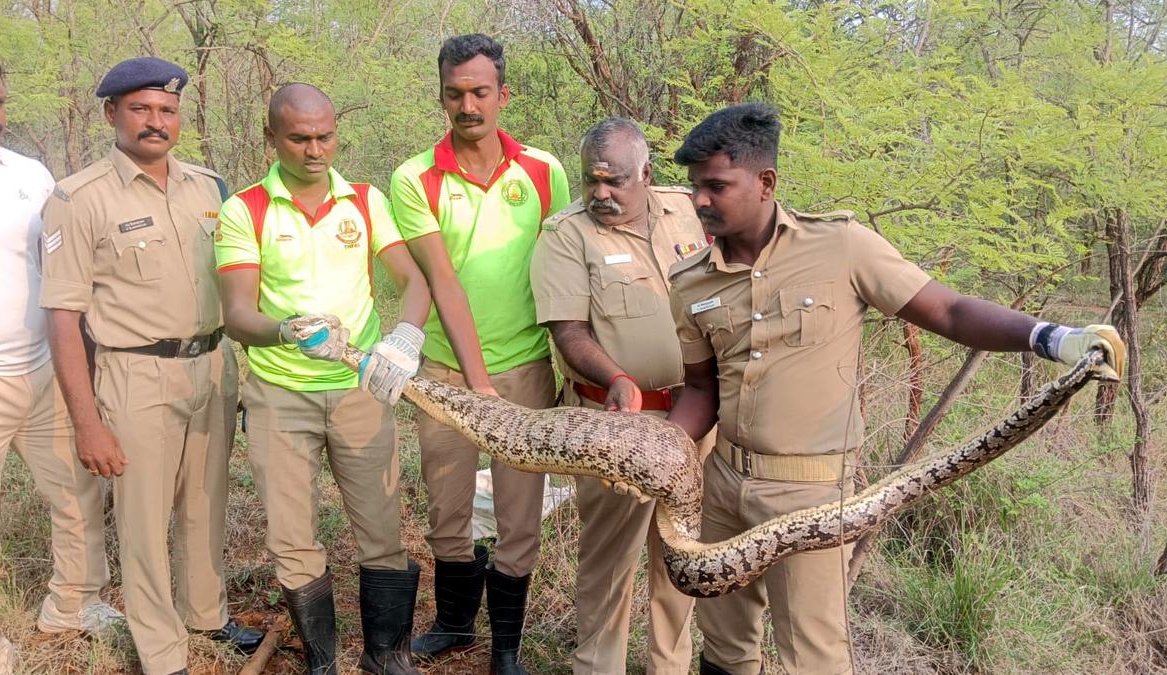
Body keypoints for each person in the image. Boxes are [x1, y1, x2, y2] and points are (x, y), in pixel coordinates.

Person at [663, 103, 1126, 675]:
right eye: (694, 187)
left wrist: (1053, 339)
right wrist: (657, 454)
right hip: (725, 486)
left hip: (811, 494)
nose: (700, 201)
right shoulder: (690, 282)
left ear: (766, 182)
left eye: (715, 185)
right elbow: (700, 390)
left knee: (813, 654)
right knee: (726, 645)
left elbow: (950, 312)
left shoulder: (841, 246)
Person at [39, 57, 262, 675]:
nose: (155, 122)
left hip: (213, 364)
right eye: (140, 109)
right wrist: (88, 424)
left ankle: (207, 617)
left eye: (167, 110)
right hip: (135, 374)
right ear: (111, 113)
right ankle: (163, 655)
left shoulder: (209, 188)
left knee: (205, 503)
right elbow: (62, 315)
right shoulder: (77, 198)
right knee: (142, 522)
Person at [216, 83, 431, 675]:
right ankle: (321, 661)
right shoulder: (246, 209)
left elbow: (413, 282)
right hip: (279, 395)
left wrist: (404, 338)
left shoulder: (364, 201)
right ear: (271, 138)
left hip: (360, 388)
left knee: (382, 528)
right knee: (292, 537)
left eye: (325, 136)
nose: (316, 150)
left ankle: (386, 656)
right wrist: (285, 330)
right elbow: (237, 314)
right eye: (299, 138)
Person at [388, 33, 569, 674]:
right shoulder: (414, 177)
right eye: (455, 94)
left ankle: (507, 648)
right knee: (448, 508)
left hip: (527, 367)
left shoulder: (544, 171)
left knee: (521, 513)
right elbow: (442, 281)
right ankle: (455, 624)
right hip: (445, 371)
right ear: (442, 97)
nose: (468, 107)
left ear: (503, 94)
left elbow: (561, 275)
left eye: (480, 92)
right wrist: (475, 383)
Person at [530, 117, 714, 675]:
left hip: (698, 419)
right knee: (609, 561)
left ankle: (670, 666)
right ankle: (597, 666)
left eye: (615, 182)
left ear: (647, 175)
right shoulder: (566, 233)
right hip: (616, 429)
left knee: (681, 555)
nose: (601, 194)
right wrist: (618, 379)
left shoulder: (690, 210)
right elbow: (569, 331)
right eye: (592, 181)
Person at [0, 46, 124, 675]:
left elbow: (67, 271)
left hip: (43, 371)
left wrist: (84, 367)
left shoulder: (28, 173)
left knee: (78, 493)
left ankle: (73, 602)